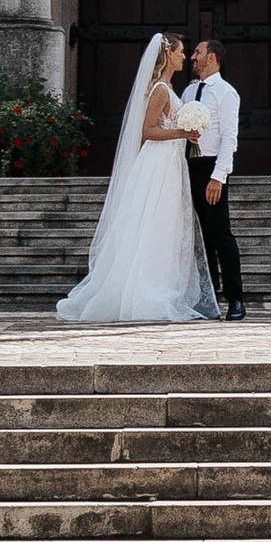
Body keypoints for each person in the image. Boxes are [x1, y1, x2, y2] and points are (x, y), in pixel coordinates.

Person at [55, 33, 219, 327]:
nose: (185, 57)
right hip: (158, 165)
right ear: (168, 54)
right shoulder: (159, 89)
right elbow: (148, 131)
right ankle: (148, 292)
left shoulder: (169, 87)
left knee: (168, 226)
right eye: (181, 51)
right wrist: (183, 133)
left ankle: (162, 286)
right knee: (155, 223)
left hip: (171, 164)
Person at [181, 36, 245, 320]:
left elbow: (229, 138)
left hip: (211, 168)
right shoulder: (188, 91)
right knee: (199, 237)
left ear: (212, 57)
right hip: (187, 167)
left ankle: (235, 299)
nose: (193, 57)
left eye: (197, 52)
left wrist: (218, 177)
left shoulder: (225, 92)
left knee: (220, 234)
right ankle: (207, 298)